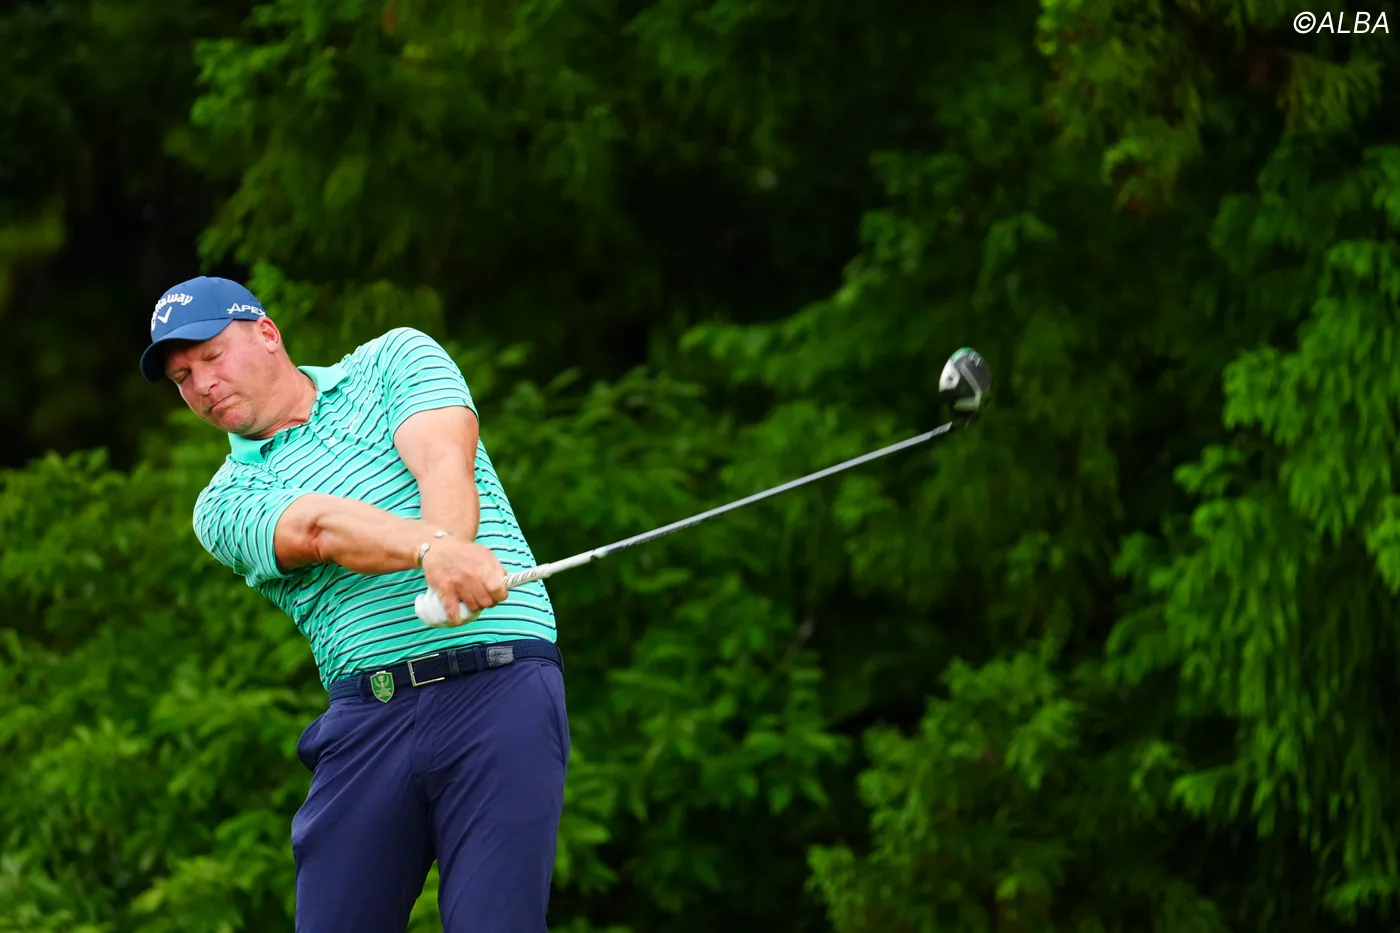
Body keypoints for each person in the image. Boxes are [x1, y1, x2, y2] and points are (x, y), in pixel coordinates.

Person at [140, 275, 570, 932]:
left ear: (267, 333)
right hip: (372, 717)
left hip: (501, 682)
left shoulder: (393, 359)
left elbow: (443, 458)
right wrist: (433, 552)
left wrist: (448, 551)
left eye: (211, 356)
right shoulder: (223, 502)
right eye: (181, 377)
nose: (202, 384)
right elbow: (319, 528)